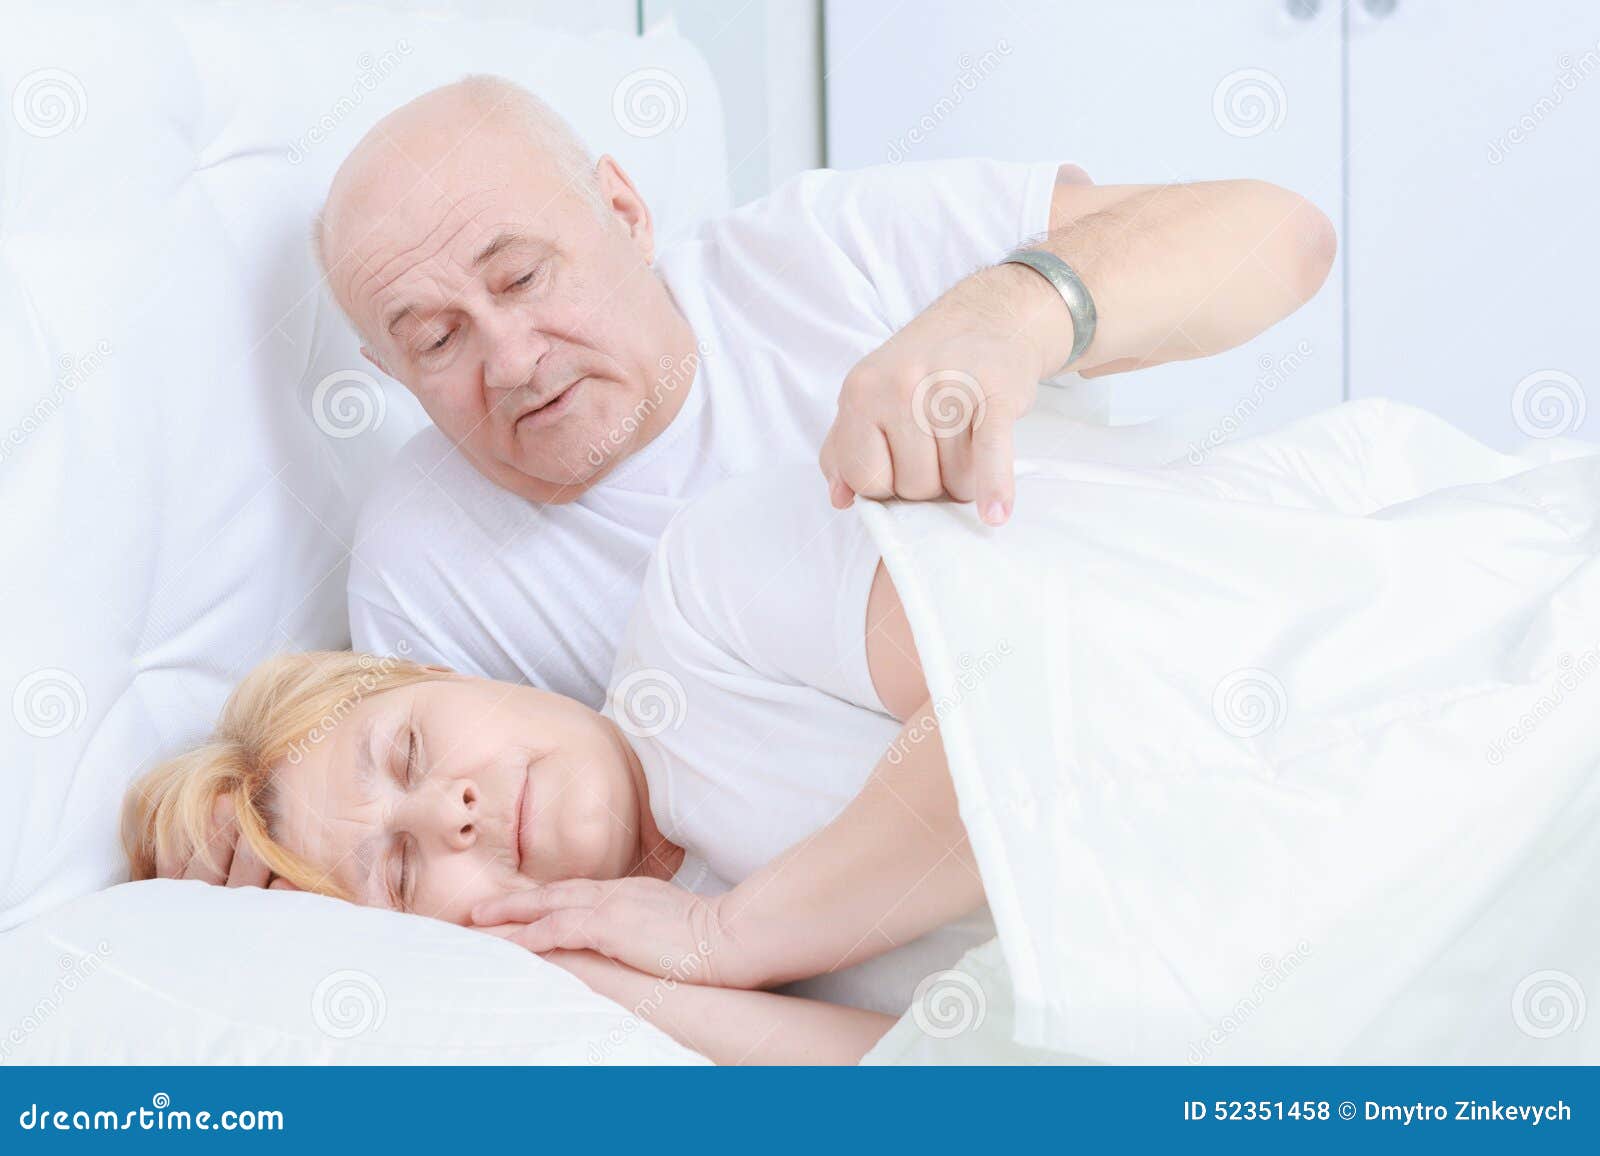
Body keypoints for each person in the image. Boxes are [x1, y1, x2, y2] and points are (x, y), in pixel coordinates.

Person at [165, 73, 1335, 887]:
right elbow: (443, 847)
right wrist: (263, 858)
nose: (509, 362)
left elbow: (1280, 234)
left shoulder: (822, 254)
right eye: (434, 340)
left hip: (1222, 649)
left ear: (624, 211)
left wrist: (1011, 316)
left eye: (520, 276)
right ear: (388, 372)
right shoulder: (428, 571)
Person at [125, 464, 1032, 1063]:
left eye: (409, 750)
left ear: (441, 673)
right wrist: (604, 979)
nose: (451, 815)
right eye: (400, 873)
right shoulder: (611, 1002)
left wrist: (727, 938)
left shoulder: (709, 595)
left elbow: (1030, 709)